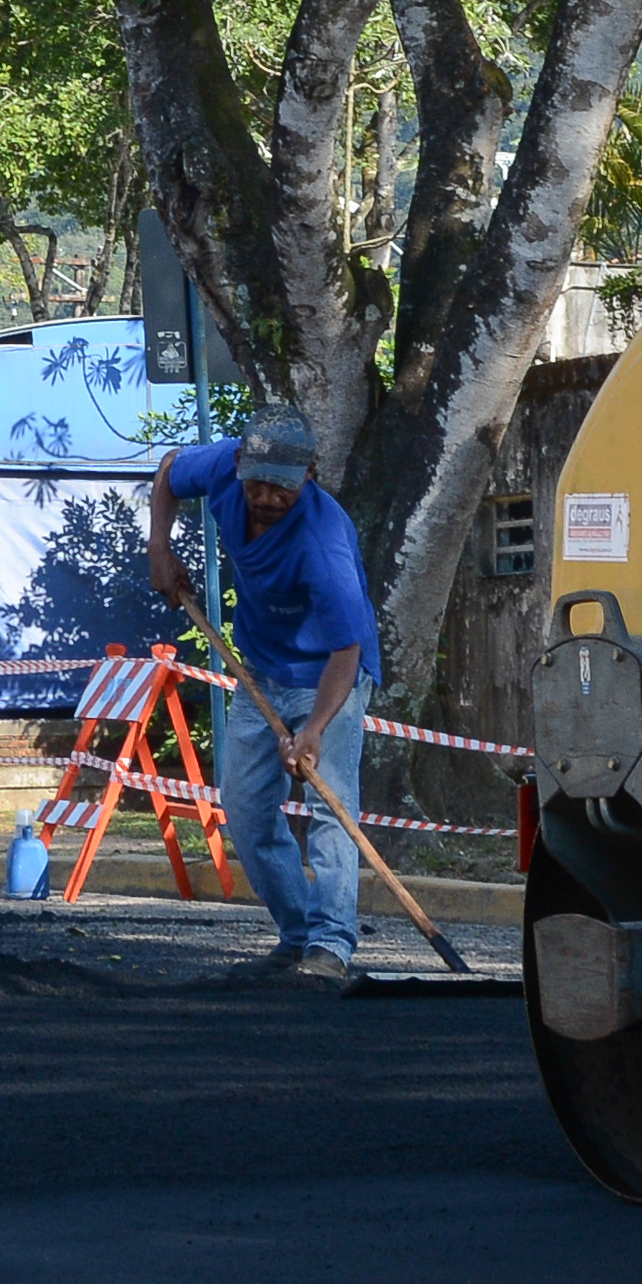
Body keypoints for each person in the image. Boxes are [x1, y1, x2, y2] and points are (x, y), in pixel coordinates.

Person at [145, 409, 381, 987]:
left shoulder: (322, 542)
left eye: (283, 485)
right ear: (240, 466)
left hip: (330, 677)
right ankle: (297, 933)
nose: (268, 496)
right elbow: (170, 468)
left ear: (309, 477)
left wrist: (315, 731)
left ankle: (330, 946)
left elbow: (346, 653)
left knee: (330, 808)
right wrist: (160, 547)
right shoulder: (222, 471)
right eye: (258, 482)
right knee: (247, 809)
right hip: (263, 670)